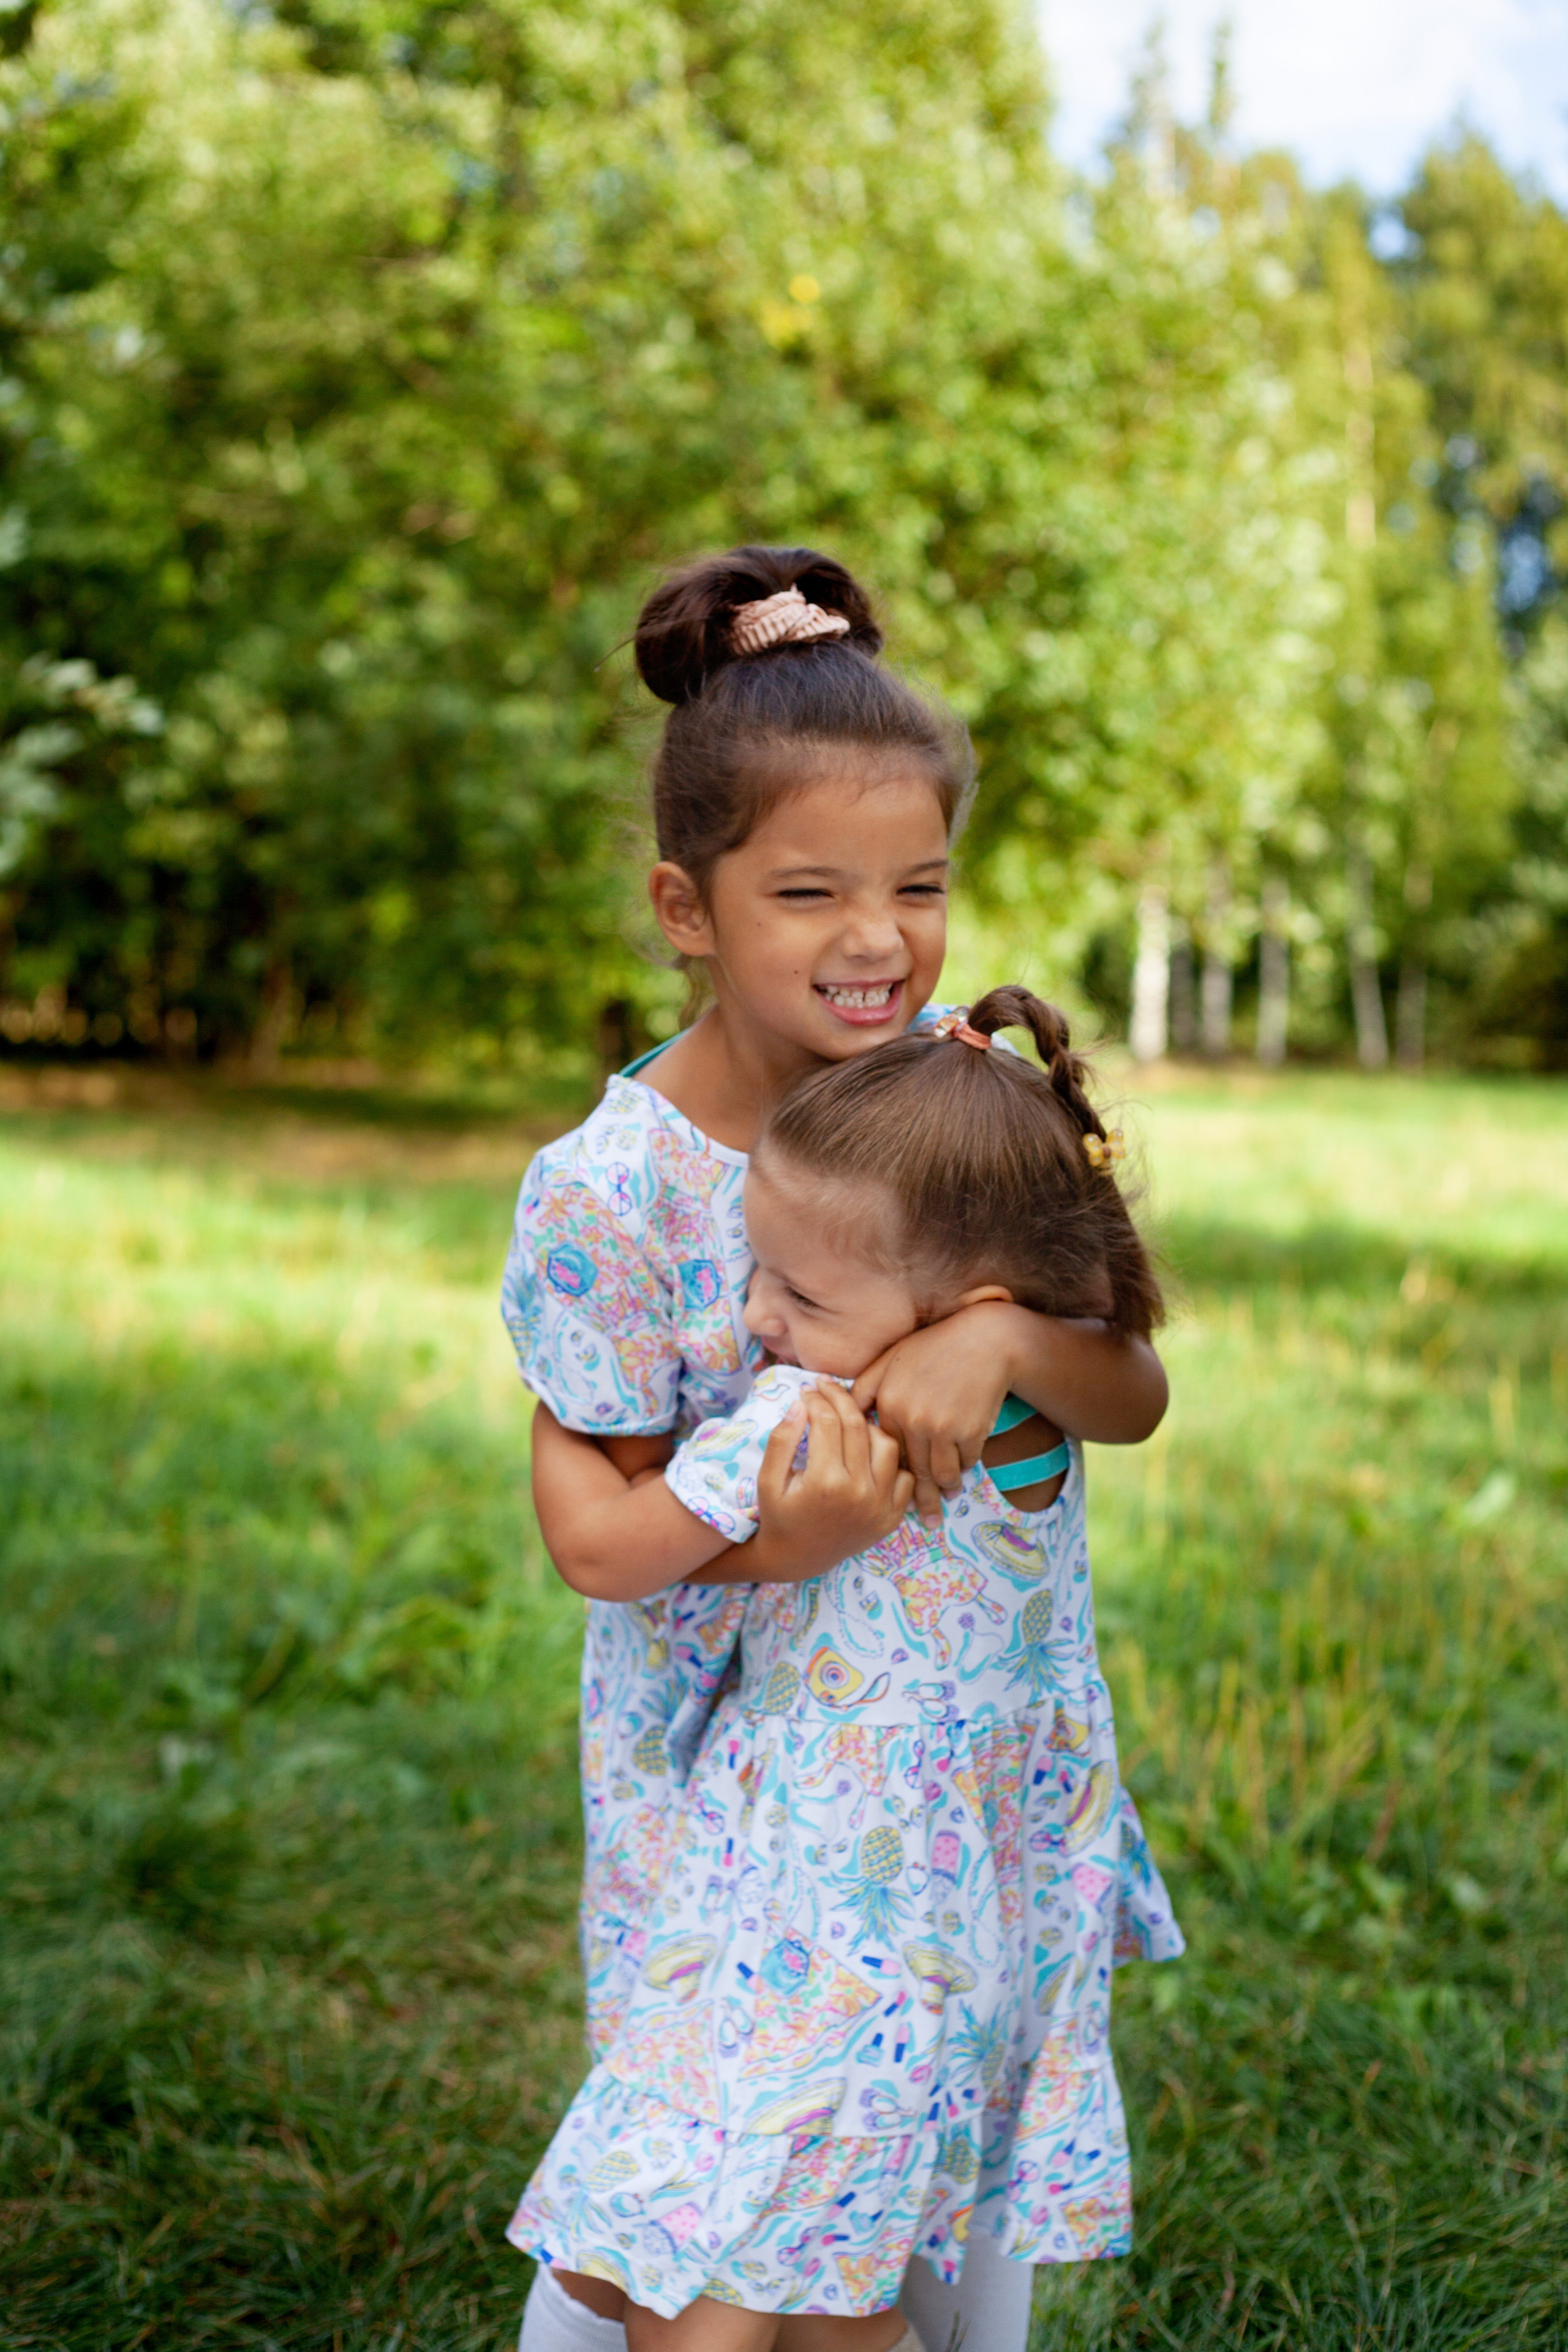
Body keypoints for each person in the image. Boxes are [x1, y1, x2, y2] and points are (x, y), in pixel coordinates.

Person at [502, 548, 1171, 2352]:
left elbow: (1126, 1384)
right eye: (809, 892)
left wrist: (1001, 1334)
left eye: (919, 885)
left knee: (913, 2154)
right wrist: (773, 1547)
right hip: (720, 1763)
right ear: (688, 907)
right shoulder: (615, 1188)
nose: (877, 939)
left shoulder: (961, 1106)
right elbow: (588, 1523)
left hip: (949, 1763)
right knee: (706, 2165)